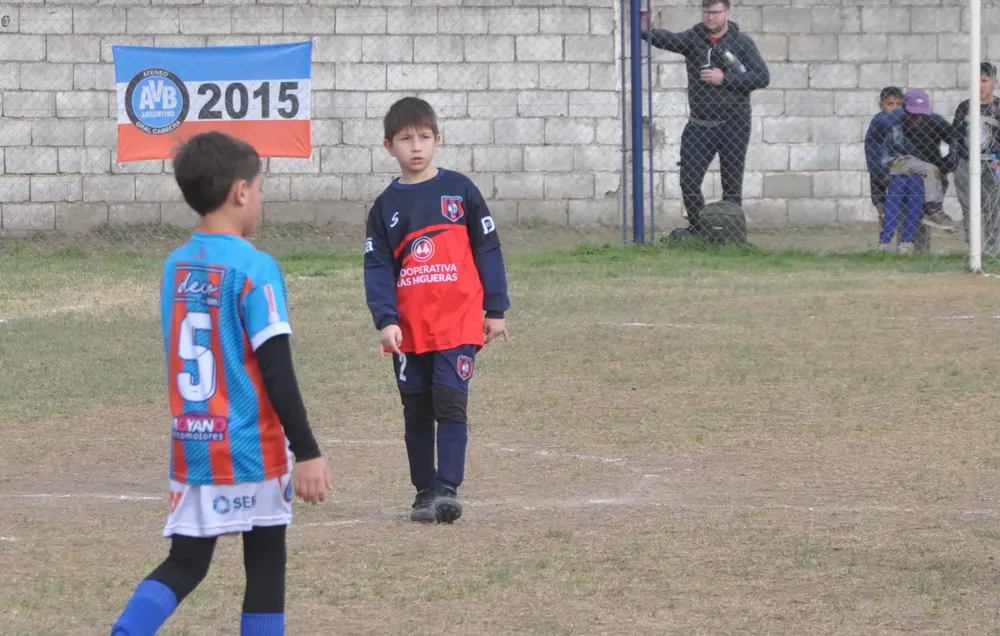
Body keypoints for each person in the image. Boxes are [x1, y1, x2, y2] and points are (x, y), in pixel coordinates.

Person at [111, 131, 333, 636]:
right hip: (252, 449)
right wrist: (309, 451)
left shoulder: (176, 264)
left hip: (194, 445)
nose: (260, 198)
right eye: (259, 188)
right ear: (240, 192)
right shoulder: (255, 267)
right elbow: (276, 369)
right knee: (265, 564)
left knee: (186, 563)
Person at [363, 97, 510, 524]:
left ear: (437, 140)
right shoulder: (385, 207)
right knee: (416, 408)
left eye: (424, 137)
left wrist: (495, 309)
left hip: (459, 322)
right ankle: (423, 491)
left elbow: (488, 249)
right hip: (410, 330)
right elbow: (377, 267)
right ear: (389, 146)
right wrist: (386, 320)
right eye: (406, 139)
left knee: (450, 402)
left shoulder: (460, 191)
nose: (416, 147)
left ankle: (448, 488)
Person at [640, 0, 770, 235]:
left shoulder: (742, 43)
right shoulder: (694, 38)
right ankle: (702, 231)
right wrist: (646, 32)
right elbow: (668, 39)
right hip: (700, 124)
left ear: (727, 14)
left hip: (735, 123)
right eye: (707, 13)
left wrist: (725, 79)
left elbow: (762, 77)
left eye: (716, 13)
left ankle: (730, 236)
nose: (711, 18)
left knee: (731, 185)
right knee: (688, 180)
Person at [868, 88, 959, 252]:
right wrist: (878, 198)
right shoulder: (888, 122)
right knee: (901, 205)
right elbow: (875, 160)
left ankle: (912, 248)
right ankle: (893, 244)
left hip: (920, 178)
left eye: (921, 114)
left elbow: (954, 137)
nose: (917, 118)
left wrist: (949, 161)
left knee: (917, 208)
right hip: (897, 173)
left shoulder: (932, 121)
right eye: (912, 114)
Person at [953, 61, 1000, 256]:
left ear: (994, 83)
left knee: (992, 206)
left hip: (991, 162)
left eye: (984, 80)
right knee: (969, 207)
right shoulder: (965, 106)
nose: (980, 85)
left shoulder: (998, 107)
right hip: (966, 163)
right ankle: (973, 249)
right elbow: (954, 135)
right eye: (976, 81)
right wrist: (955, 162)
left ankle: (991, 249)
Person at [865, 86, 904, 230]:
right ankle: (884, 227)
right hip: (879, 169)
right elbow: (887, 123)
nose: (895, 108)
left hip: (896, 167)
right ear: (881, 106)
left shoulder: (901, 122)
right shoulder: (879, 119)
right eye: (890, 104)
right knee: (880, 202)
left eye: (899, 104)